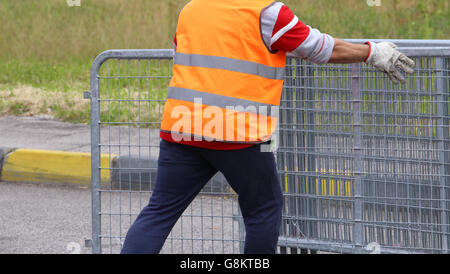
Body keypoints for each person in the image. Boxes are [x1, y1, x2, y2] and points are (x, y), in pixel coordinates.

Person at [121, 0, 415, 254]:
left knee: (159, 211)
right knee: (264, 210)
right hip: (239, 133)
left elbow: (181, 58)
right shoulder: (268, 13)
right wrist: (372, 52)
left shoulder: (192, 9)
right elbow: (322, 48)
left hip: (182, 126)